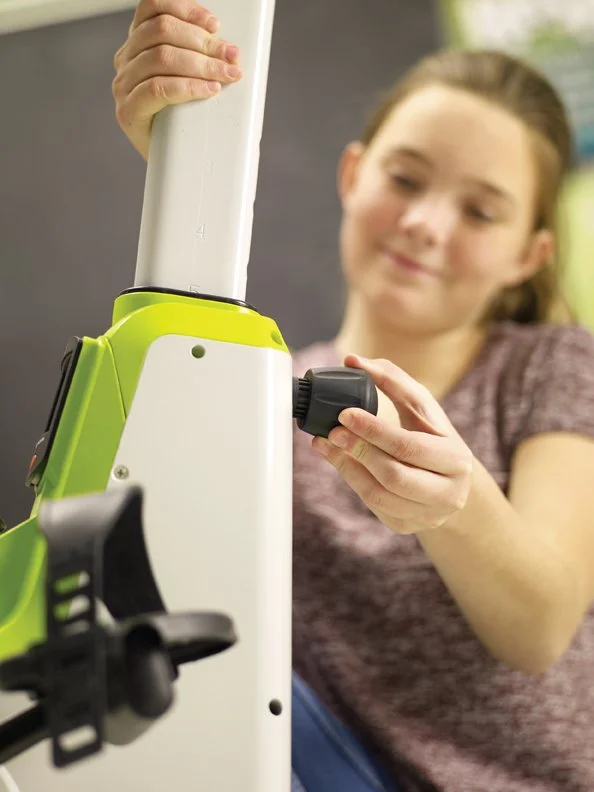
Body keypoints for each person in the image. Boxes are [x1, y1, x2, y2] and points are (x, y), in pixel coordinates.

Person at [112, 2, 594, 790]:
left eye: (480, 210)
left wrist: (457, 504)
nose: (427, 224)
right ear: (352, 174)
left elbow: (541, 628)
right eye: (404, 179)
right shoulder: (258, 388)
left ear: (528, 254)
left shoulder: (550, 368)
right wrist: (183, 165)